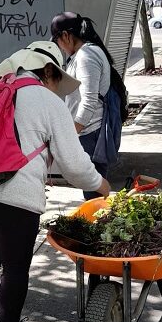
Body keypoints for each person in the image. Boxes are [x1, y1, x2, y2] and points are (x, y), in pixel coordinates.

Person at [0, 41, 110, 322]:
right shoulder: (45, 100)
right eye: (58, 81)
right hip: (14, 199)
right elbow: (73, 163)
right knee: (15, 267)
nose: (59, 90)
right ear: (48, 72)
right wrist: (100, 184)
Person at [51, 12, 113, 200]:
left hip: (90, 134)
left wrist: (71, 133)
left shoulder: (86, 55)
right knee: (92, 191)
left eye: (57, 41)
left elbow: (89, 101)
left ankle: (100, 226)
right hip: (88, 133)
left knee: (94, 193)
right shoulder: (84, 53)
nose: (59, 47)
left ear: (66, 36)